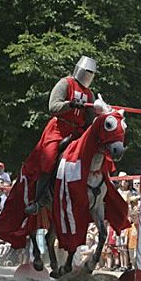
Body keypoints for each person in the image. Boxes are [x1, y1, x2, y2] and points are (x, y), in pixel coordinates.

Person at [24, 56, 98, 214]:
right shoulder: (65, 83)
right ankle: (40, 199)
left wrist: (101, 112)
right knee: (49, 158)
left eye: (91, 73)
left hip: (78, 133)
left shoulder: (89, 94)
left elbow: (91, 119)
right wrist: (70, 104)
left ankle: (94, 197)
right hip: (59, 129)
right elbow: (53, 106)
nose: (88, 76)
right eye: (87, 72)